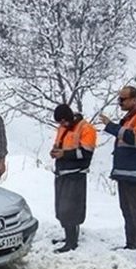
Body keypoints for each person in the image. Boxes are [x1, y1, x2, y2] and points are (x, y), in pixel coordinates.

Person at [99, 86, 136, 267]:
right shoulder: (130, 118)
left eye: (123, 99)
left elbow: (135, 138)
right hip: (125, 172)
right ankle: (131, 243)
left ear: (135, 99)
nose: (120, 103)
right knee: (127, 210)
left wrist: (111, 127)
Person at [49, 104, 96, 253]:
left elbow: (86, 154)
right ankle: (67, 236)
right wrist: (55, 151)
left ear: (68, 117)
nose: (61, 125)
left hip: (76, 175)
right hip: (62, 173)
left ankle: (72, 242)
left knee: (71, 210)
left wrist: (65, 154)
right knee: (62, 209)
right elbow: (60, 145)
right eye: (59, 122)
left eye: (63, 121)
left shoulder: (86, 128)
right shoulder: (62, 128)